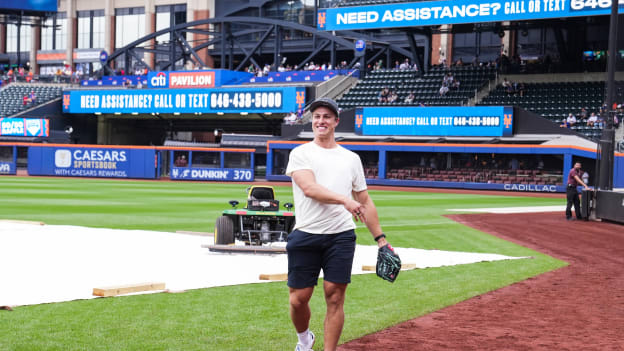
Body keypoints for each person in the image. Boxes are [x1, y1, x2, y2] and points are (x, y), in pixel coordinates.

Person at [285, 97, 393, 351]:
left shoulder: (351, 159)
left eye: (326, 117)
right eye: (317, 117)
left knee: (335, 295)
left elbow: (364, 200)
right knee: (298, 299)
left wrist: (382, 240)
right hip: (306, 233)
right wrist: (344, 200)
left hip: (341, 236)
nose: (321, 121)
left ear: (336, 121)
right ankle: (304, 342)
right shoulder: (300, 153)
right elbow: (309, 188)